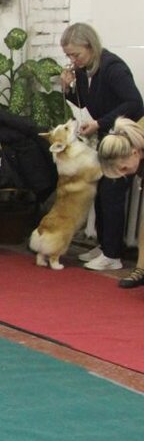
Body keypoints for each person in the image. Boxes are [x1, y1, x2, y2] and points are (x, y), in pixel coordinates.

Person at [59, 22, 144, 272]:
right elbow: (86, 104)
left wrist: (100, 123)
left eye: (76, 54)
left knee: (112, 193)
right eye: (69, 56)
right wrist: (68, 89)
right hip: (103, 137)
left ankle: (113, 254)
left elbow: (135, 103)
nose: (73, 60)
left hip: (121, 140)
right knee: (101, 192)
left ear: (91, 46)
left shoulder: (113, 68)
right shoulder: (85, 71)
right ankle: (105, 244)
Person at [97, 117, 144, 287]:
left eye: (123, 169)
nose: (124, 174)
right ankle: (142, 269)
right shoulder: (129, 137)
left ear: (135, 153)